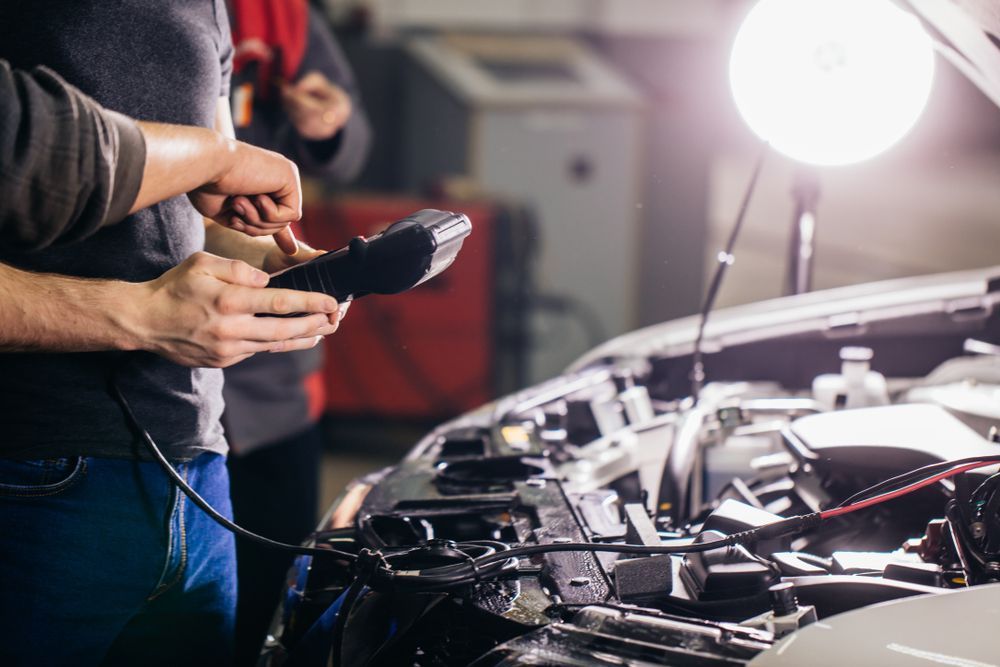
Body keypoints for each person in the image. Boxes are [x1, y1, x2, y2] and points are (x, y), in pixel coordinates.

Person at [0, 2, 332, 663]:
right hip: (35, 466)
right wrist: (143, 313)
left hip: (196, 467)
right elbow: (34, 154)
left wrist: (263, 258)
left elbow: (189, 207)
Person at [222, 2, 372, 661]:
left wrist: (331, 120)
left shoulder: (288, 18)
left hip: (275, 390)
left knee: (272, 594)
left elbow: (355, 143)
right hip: (155, 374)